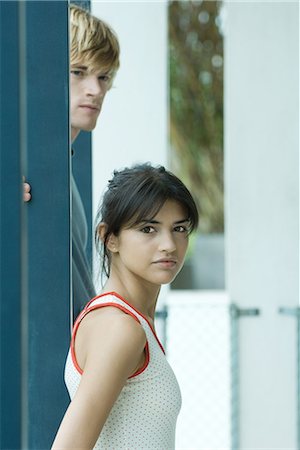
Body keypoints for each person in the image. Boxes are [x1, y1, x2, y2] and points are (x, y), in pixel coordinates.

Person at [51, 163, 199, 450]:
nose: (169, 244)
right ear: (110, 238)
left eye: (179, 228)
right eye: (148, 229)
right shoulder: (119, 327)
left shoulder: (129, 320)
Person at [24, 5, 120, 317]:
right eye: (78, 72)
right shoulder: (24, 165)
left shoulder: (61, 167)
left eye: (103, 77)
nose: (95, 90)